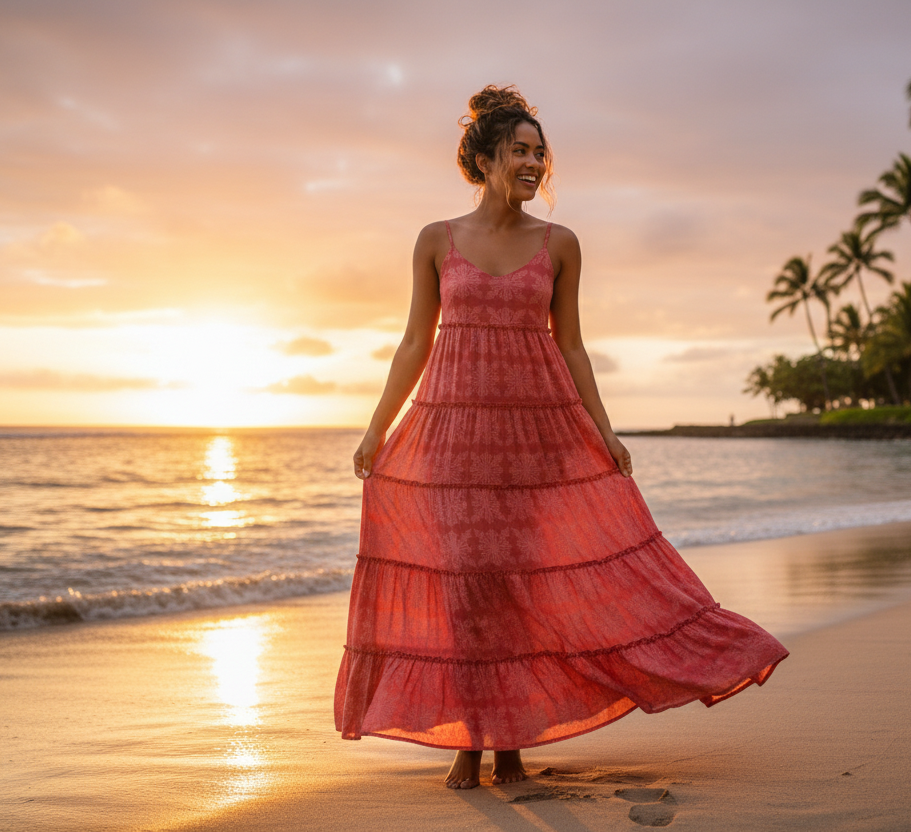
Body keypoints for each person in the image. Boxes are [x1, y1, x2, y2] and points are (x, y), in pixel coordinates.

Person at [336, 85, 788, 790]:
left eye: (539, 154)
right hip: (453, 441)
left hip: (537, 441)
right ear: (483, 159)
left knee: (519, 588)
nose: (533, 163)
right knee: (466, 589)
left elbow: (572, 348)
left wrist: (604, 434)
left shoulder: (560, 245)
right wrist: (377, 428)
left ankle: (506, 744)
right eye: (519, 151)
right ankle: (471, 740)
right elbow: (413, 343)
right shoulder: (435, 239)